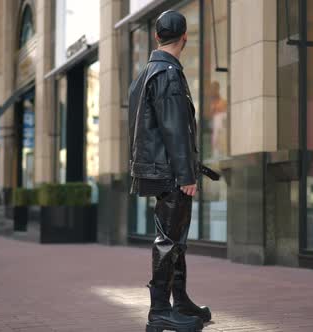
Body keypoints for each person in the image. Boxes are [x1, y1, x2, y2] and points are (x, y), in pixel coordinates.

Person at [129, 10, 209, 332]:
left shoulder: (145, 73)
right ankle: (159, 310)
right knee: (168, 239)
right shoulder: (168, 74)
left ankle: (180, 300)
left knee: (174, 238)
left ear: (156, 37)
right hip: (172, 172)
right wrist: (186, 174)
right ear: (185, 37)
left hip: (157, 169)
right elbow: (175, 128)